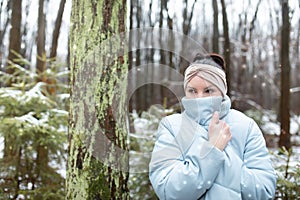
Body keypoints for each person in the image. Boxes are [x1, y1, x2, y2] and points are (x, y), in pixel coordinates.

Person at [149, 53, 277, 200]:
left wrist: (215, 159)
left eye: (208, 91)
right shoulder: (172, 127)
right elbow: (169, 191)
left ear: (222, 92)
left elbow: (265, 191)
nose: (199, 98)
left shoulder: (246, 126)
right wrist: (212, 150)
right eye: (192, 91)